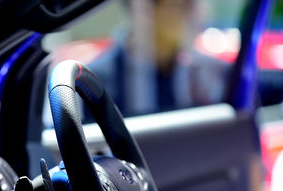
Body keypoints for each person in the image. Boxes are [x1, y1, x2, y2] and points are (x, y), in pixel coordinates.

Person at [87, 0, 230, 118]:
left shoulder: (218, 75)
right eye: (182, 5)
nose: (198, 14)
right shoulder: (95, 85)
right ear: (143, 9)